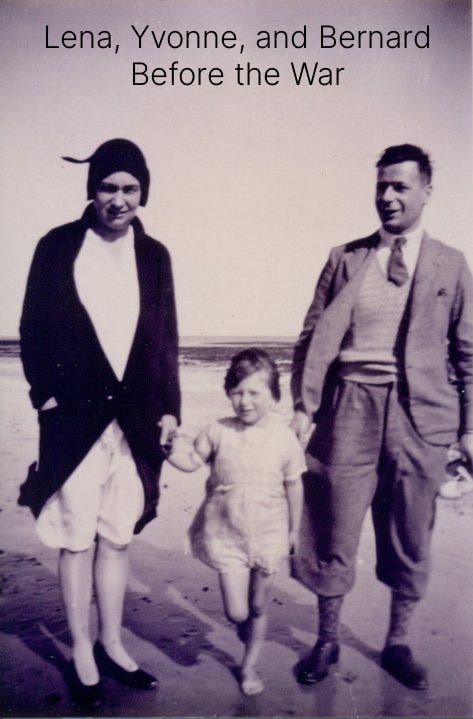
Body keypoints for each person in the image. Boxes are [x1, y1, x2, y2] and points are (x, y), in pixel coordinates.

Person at [290, 144, 473, 690]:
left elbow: (468, 353)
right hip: (349, 408)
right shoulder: (344, 257)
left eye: (400, 186)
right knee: (331, 524)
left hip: (421, 418)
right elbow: (310, 336)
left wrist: (468, 431)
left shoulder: (452, 264)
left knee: (410, 535)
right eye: (381, 186)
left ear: (426, 192)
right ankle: (326, 642)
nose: (388, 196)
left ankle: (398, 642)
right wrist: (305, 406)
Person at [18, 139, 180, 708]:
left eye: (129, 189)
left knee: (116, 539)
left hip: (134, 422)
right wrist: (45, 397)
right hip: (75, 421)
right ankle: (82, 647)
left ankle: (112, 642)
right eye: (108, 187)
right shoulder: (58, 246)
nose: (118, 200)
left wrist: (170, 412)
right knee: (77, 539)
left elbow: (165, 342)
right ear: (91, 190)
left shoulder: (155, 255)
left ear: (144, 192)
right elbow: (32, 328)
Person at [166, 348, 305, 696]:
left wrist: (294, 530)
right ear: (228, 393)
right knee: (238, 610)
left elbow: (294, 484)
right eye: (238, 391)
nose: (245, 401)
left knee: (258, 605)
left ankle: (248, 666)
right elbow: (192, 461)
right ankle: (246, 629)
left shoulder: (284, 437)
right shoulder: (217, 430)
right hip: (226, 534)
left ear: (273, 396)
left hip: (270, 533)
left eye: (255, 392)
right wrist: (170, 450)